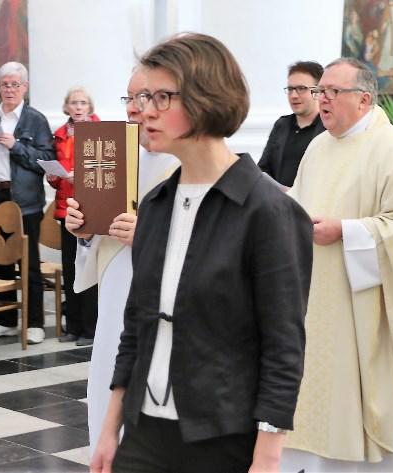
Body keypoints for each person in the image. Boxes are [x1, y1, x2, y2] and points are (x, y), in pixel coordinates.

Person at [85, 33, 313, 473]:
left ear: (207, 96)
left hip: (223, 437)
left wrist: (267, 455)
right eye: (144, 96)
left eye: (162, 97)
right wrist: (110, 431)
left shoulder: (268, 211)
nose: (146, 110)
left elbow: (284, 347)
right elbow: (137, 328)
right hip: (145, 434)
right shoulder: (155, 206)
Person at [281, 57, 393, 472]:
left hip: (363, 306)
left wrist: (346, 231)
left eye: (331, 91)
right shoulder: (318, 146)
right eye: (320, 91)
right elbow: (297, 201)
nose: (321, 99)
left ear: (364, 99)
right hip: (315, 300)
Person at [65, 68, 180, 451]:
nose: (133, 108)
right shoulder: (113, 149)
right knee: (110, 368)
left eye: (143, 98)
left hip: (163, 293)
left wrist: (146, 234)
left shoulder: (186, 161)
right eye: (128, 98)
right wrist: (83, 229)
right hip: (117, 285)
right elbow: (95, 228)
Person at [0, 61, 54, 344]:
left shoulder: (35, 120)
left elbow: (45, 162)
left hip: (24, 199)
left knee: (28, 263)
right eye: (5, 84)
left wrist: (16, 146)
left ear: (25, 87)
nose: (9, 89)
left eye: (15, 84)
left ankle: (35, 322)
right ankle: (3, 320)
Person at [47, 87, 99, 346]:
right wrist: (54, 177)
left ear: (90, 107)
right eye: (73, 103)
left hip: (92, 208)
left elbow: (108, 169)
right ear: (66, 107)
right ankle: (73, 326)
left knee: (89, 270)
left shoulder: (102, 133)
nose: (78, 107)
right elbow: (58, 181)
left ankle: (91, 328)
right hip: (65, 208)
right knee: (70, 270)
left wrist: (83, 175)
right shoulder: (59, 136)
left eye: (83, 103)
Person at [258, 61, 325, 187]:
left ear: (317, 91)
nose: (294, 95)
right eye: (290, 89)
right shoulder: (282, 125)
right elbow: (263, 169)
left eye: (301, 89)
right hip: (279, 203)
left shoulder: (328, 129)